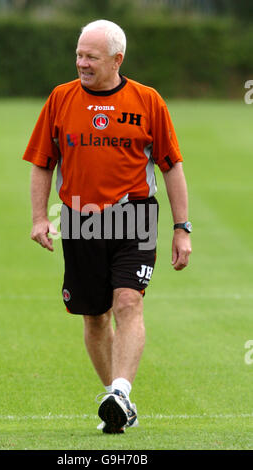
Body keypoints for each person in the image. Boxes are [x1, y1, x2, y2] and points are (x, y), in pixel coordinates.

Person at [22, 19, 192, 434]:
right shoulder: (60, 99)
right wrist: (40, 217)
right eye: (79, 54)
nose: (81, 62)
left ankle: (119, 390)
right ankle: (117, 402)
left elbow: (171, 166)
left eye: (90, 57)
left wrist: (181, 227)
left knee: (128, 303)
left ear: (117, 59)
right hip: (80, 217)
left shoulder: (148, 101)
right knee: (94, 317)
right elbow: (43, 161)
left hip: (134, 216)